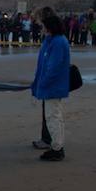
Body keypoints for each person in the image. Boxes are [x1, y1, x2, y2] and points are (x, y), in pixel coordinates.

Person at [31, 9, 71, 162]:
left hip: (53, 87)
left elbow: (53, 67)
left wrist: (43, 83)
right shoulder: (52, 41)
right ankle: (56, 146)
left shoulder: (58, 42)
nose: (41, 29)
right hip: (51, 85)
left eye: (43, 26)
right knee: (53, 116)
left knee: (53, 117)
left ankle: (57, 148)